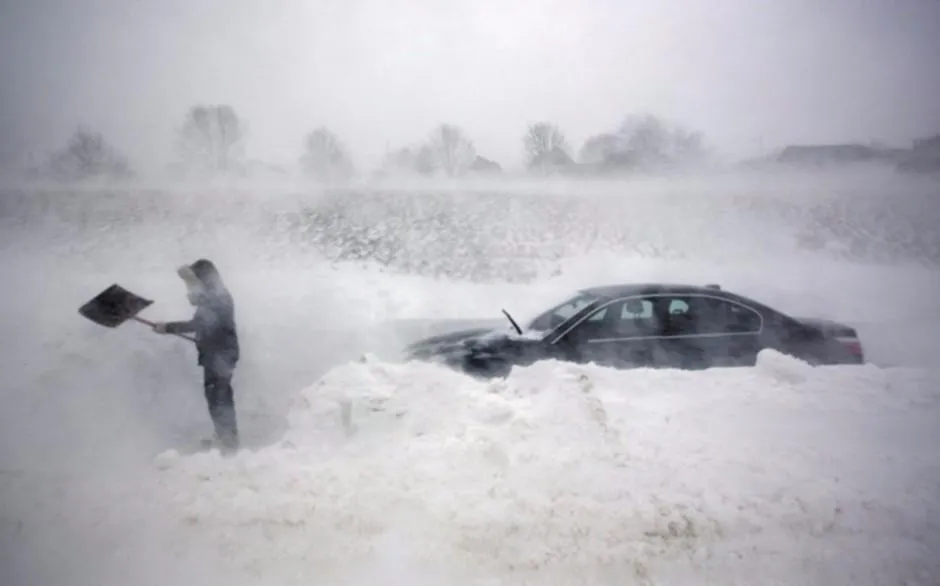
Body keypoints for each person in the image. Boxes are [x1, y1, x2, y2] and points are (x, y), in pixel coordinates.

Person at [153, 259, 241, 454]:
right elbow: (203, 321)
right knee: (217, 396)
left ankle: (228, 442)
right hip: (217, 353)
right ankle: (224, 436)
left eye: (195, 281)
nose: (191, 288)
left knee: (219, 397)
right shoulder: (215, 295)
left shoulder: (218, 297)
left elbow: (200, 323)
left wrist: (167, 327)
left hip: (221, 355)